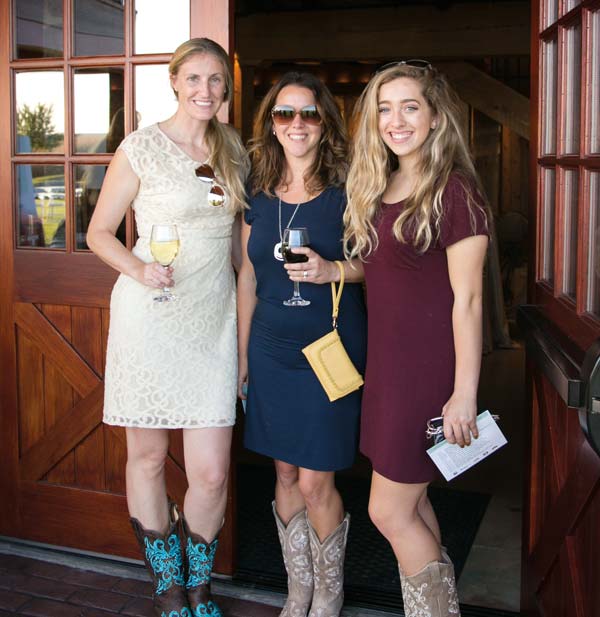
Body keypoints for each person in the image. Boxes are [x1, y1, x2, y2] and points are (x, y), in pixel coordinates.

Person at [87, 38, 248, 617]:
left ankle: (200, 583)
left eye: (216, 80)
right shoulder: (141, 147)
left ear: (225, 88)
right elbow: (99, 232)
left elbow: (239, 248)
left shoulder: (234, 149)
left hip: (213, 322)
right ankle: (170, 587)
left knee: (211, 471)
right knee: (150, 458)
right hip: (150, 318)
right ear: (175, 82)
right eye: (194, 78)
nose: (206, 90)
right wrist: (139, 269)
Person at [344, 61, 490, 616]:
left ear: (435, 118)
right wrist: (332, 270)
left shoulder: (455, 191)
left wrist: (464, 393)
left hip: (427, 374)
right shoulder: (382, 184)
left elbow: (468, 301)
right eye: (385, 108)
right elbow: (386, 272)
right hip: (387, 369)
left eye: (410, 107)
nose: (396, 120)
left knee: (388, 511)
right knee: (412, 501)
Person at [237, 72, 367, 617]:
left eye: (308, 113)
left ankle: (329, 594)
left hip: (328, 347)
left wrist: (333, 269)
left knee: (316, 480)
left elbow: (379, 266)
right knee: (285, 473)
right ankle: (299, 589)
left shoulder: (349, 190)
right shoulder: (258, 191)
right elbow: (248, 275)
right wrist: (243, 356)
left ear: (324, 123)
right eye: (284, 113)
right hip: (270, 348)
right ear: (271, 123)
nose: (297, 124)